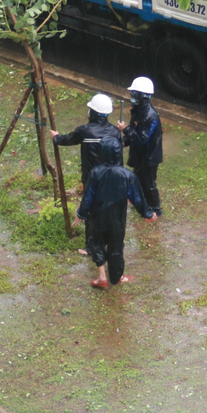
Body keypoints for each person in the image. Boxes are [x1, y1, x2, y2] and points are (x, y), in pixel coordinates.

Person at [77, 137, 155, 289]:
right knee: (116, 247)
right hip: (117, 218)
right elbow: (137, 197)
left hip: (97, 217)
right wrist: (147, 213)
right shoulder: (127, 175)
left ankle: (102, 277)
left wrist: (81, 214)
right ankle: (117, 277)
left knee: (96, 243)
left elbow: (88, 197)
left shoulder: (95, 173)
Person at [51, 93, 122, 187]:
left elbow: (68, 139)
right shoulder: (115, 132)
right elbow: (119, 159)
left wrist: (56, 137)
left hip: (91, 179)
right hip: (110, 180)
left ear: (93, 112)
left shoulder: (84, 131)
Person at [118, 76, 163, 219]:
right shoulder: (138, 110)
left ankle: (155, 209)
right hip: (140, 154)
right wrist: (125, 141)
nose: (132, 97)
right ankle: (141, 201)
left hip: (149, 157)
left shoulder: (150, 116)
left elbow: (142, 138)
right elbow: (134, 131)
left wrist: (125, 130)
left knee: (149, 184)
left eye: (134, 94)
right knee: (137, 179)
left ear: (142, 96)